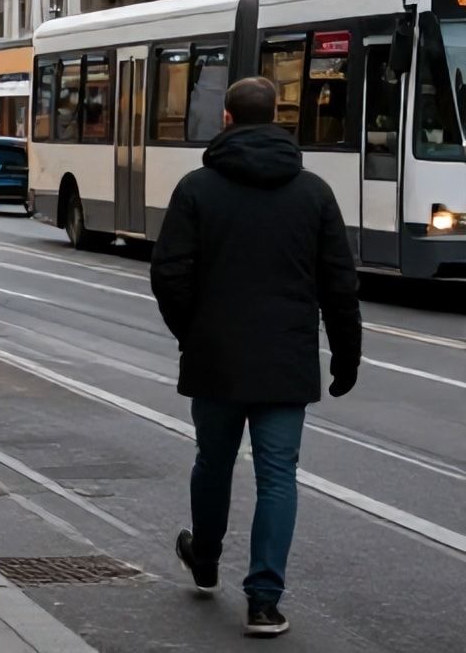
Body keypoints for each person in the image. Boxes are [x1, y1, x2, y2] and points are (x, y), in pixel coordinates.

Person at [151, 76, 361, 640]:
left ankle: (205, 558)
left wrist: (192, 332)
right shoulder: (313, 192)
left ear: (226, 118)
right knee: (278, 477)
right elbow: (339, 283)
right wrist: (346, 355)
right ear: (278, 118)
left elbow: (168, 274)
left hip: (216, 356)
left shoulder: (197, 188)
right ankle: (264, 602)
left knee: (213, 462)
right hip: (286, 359)